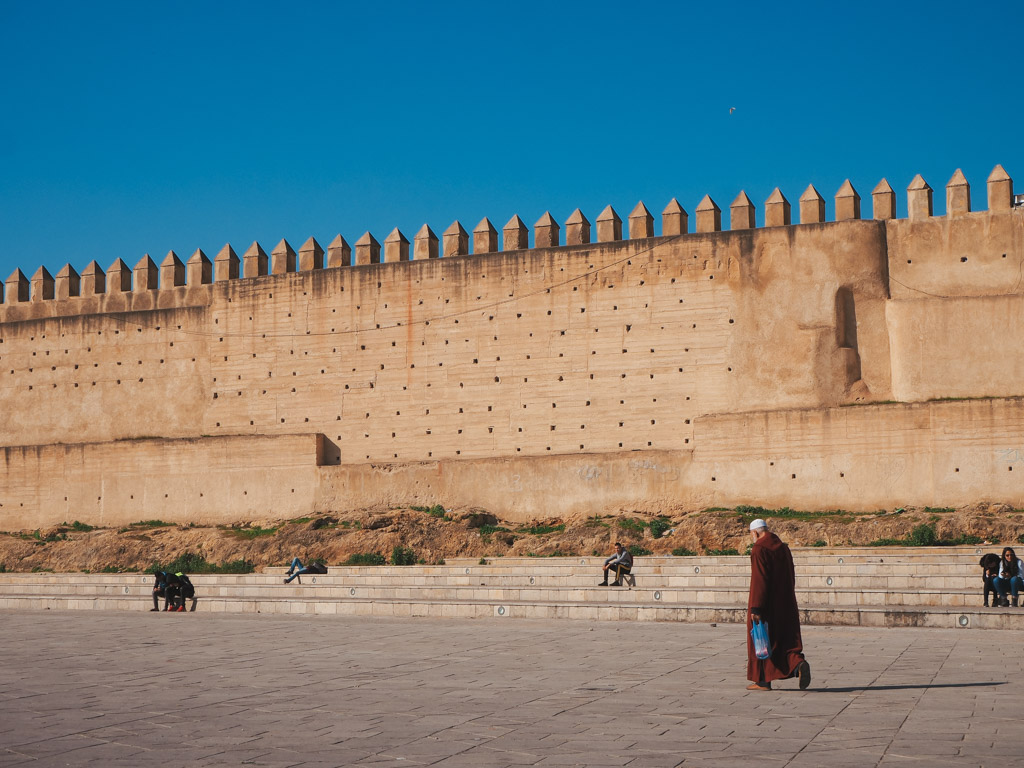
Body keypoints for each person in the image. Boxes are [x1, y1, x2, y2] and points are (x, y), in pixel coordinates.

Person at [746, 519, 811, 691]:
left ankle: (762, 681)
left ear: (755, 533)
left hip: (766, 604)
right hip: (785, 602)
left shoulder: (759, 549)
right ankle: (798, 664)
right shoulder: (783, 548)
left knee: (763, 641)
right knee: (784, 640)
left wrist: (756, 607)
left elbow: (760, 579)